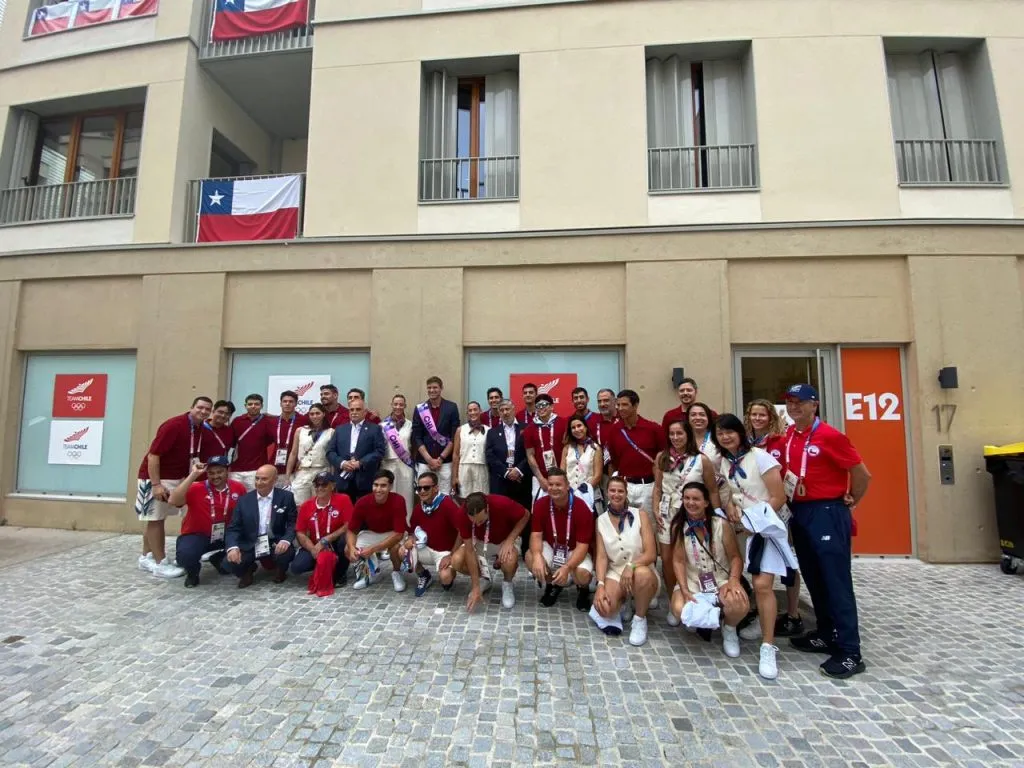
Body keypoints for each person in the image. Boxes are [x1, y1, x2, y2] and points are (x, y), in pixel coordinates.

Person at [783, 384, 871, 680]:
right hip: (800, 510)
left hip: (827, 511)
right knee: (814, 576)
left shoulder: (830, 436)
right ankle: (825, 632)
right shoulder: (790, 436)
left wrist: (851, 500)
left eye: (800, 402)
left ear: (814, 405)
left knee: (836, 581)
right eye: (790, 402)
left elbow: (861, 473)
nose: (794, 407)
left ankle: (850, 652)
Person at [713, 413, 790, 680]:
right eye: (720, 433)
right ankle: (742, 621)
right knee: (741, 578)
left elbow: (779, 496)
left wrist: (753, 523)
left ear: (740, 432)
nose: (725, 437)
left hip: (763, 529)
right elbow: (731, 493)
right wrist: (732, 506)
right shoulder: (724, 462)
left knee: (762, 585)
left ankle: (768, 646)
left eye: (729, 431)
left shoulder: (761, 457)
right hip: (741, 529)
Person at [670, 482, 749, 663]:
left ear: (706, 502)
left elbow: (736, 557)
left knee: (739, 604)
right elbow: (679, 561)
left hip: (720, 579)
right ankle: (701, 618)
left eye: (696, 499)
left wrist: (734, 580)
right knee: (678, 608)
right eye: (687, 498)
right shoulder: (679, 526)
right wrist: (683, 588)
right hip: (693, 580)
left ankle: (729, 628)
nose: (691, 503)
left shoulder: (721, 524)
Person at [135, 396, 213, 578]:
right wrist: (156, 484)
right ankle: (160, 563)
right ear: (192, 407)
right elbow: (153, 456)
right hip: (157, 478)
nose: (203, 411)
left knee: (155, 517)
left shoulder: (200, 428)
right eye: (200, 407)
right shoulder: (173, 425)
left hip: (177, 478)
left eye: (207, 409)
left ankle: (147, 557)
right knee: (156, 519)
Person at [651, 418, 721, 622]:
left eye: (679, 433)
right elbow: (657, 488)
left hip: (692, 514)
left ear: (688, 435)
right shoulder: (662, 457)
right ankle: (675, 596)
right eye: (671, 434)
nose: (675, 438)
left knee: (690, 556)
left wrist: (716, 514)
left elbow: (712, 489)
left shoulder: (701, 460)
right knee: (667, 557)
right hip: (667, 514)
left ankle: (695, 594)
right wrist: (656, 510)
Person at [745, 398, 803, 637]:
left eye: (762, 415)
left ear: (771, 417)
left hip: (779, 510)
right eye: (753, 415)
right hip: (755, 512)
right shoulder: (747, 444)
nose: (757, 419)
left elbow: (789, 474)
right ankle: (760, 611)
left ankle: (793, 613)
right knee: (759, 562)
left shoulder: (781, 441)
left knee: (787, 559)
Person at [591, 477, 659, 646]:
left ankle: (640, 619)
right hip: (616, 572)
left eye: (620, 491)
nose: (616, 494)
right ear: (607, 493)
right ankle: (624, 601)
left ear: (626, 493)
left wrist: (632, 565)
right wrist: (600, 585)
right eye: (612, 490)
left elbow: (651, 553)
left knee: (642, 576)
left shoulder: (640, 515)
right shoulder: (601, 520)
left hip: (642, 569)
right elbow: (601, 556)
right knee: (605, 608)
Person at [168, 456, 246, 588]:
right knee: (186, 556)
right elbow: (173, 501)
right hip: (198, 534)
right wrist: (193, 475)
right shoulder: (195, 488)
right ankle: (193, 574)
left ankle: (219, 559)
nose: (215, 476)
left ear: (227, 471)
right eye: (211, 473)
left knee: (241, 556)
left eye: (219, 472)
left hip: (226, 534)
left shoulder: (238, 488)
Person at [526, 469, 595, 611]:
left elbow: (582, 546)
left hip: (574, 550)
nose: (554, 488)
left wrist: (567, 567)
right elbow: (536, 535)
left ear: (568, 485)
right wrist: (538, 556)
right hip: (553, 547)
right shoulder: (540, 504)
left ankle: (583, 590)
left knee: (583, 574)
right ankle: (553, 585)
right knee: (530, 556)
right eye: (551, 484)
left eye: (558, 484)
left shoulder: (582, 508)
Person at [451, 492, 530, 611]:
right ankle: (484, 578)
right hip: (479, 540)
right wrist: (475, 586)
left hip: (504, 539)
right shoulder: (461, 514)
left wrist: (510, 540)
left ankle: (507, 583)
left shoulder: (501, 503)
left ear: (487, 508)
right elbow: (469, 551)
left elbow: (526, 514)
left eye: (481, 521)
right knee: (456, 560)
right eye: (473, 522)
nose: (477, 524)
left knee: (509, 560)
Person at [224, 465, 298, 588]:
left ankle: (280, 570)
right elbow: (233, 527)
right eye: (257, 478)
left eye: (264, 479)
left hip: (275, 541)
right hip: (251, 542)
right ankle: (246, 572)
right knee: (228, 562)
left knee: (286, 554)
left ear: (274, 480)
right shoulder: (244, 500)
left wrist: (286, 540)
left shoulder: (286, 497)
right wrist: (232, 547)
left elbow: (292, 523)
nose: (259, 482)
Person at [398, 471, 463, 596]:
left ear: (436, 488)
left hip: (446, 551)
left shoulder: (448, 504)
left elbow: (462, 531)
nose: (422, 491)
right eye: (419, 488)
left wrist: (451, 555)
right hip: (427, 548)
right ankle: (424, 575)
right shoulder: (419, 507)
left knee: (446, 577)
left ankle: (449, 576)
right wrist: (410, 539)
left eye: (426, 487)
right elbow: (412, 530)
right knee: (402, 551)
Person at [607, 389, 666, 528]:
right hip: (624, 486)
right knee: (623, 527)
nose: (620, 408)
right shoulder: (614, 431)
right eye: (618, 405)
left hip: (648, 487)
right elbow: (614, 461)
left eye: (625, 405)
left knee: (649, 528)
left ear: (635, 405)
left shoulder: (653, 429)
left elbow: (663, 459)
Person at [346, 470, 408, 591]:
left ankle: (397, 573)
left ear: (390, 486)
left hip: (394, 533)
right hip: (372, 532)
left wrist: (373, 549)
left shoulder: (398, 500)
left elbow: (399, 534)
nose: (378, 489)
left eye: (383, 485)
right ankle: (372, 573)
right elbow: (351, 530)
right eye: (376, 485)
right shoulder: (362, 502)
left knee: (395, 548)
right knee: (348, 549)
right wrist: (352, 548)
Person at [291, 471, 352, 586]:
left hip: (335, 542)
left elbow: (349, 525)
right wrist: (313, 549)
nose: (319, 488)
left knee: (345, 540)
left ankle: (340, 573)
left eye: (324, 485)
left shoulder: (343, 499)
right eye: (317, 485)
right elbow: (300, 533)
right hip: (315, 543)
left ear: (333, 486)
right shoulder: (306, 506)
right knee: (296, 567)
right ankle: (323, 565)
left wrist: (327, 539)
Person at [484, 399, 532, 545]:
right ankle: (500, 548)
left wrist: (518, 470)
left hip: (521, 479)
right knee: (499, 515)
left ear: (514, 409)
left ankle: (524, 549)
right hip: (501, 480)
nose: (505, 412)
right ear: (498, 413)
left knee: (523, 513)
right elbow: (489, 455)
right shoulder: (492, 432)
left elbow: (530, 453)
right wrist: (506, 472)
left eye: (508, 409)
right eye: (502, 410)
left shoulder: (526, 428)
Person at [326, 400, 385, 503]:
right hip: (343, 480)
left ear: (365, 412)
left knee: (364, 514)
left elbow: (379, 451)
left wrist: (361, 463)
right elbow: (330, 452)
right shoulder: (340, 430)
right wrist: (342, 463)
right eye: (351, 409)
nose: (354, 412)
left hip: (365, 479)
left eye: (358, 409)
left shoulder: (375, 429)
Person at [411, 376, 461, 495]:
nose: (432, 390)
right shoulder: (420, 409)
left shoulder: (451, 407)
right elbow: (416, 437)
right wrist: (429, 459)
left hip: (445, 462)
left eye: (435, 387)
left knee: (445, 495)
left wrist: (441, 458)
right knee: (425, 495)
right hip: (424, 461)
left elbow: (454, 436)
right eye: (429, 388)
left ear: (441, 388)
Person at [284, 404, 334, 505]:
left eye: (317, 413)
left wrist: (332, 478)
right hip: (303, 472)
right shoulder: (300, 430)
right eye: (312, 414)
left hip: (322, 471)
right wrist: (287, 476)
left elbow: (332, 456)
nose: (314, 416)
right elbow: (293, 453)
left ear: (323, 414)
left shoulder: (331, 432)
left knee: (320, 503)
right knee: (298, 503)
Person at [523, 393, 567, 503]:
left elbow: (567, 449)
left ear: (552, 406)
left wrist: (561, 474)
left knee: (562, 506)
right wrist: (541, 478)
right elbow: (530, 455)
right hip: (541, 478)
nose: (541, 408)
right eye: (538, 406)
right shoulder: (529, 429)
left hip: (563, 474)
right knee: (540, 510)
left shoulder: (564, 423)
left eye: (544, 404)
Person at [380, 394, 415, 518]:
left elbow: (414, 445)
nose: (398, 407)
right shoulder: (383, 425)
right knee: (389, 495)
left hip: (406, 464)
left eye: (401, 404)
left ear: (405, 406)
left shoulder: (411, 425)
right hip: (388, 464)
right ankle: (390, 526)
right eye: (395, 404)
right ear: (391, 405)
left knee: (407, 496)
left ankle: (407, 525)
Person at [230, 394, 274, 492]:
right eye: (250, 404)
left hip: (257, 470)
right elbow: (231, 442)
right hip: (236, 470)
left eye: (256, 404)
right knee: (235, 498)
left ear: (262, 406)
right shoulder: (237, 421)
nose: (253, 406)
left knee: (255, 499)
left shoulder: (268, 421)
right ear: (245, 406)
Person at [561, 415, 602, 511]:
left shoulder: (595, 448)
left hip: (589, 494)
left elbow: (598, 476)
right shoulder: (567, 448)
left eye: (579, 426)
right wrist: (568, 490)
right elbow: (562, 472)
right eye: (573, 428)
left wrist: (582, 492)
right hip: (569, 495)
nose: (577, 429)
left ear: (586, 427)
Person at [452, 402, 490, 497]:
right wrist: (454, 476)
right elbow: (456, 454)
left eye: (475, 409)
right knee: (464, 498)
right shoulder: (460, 430)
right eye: (470, 410)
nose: (473, 412)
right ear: (467, 413)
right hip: (464, 468)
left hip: (482, 469)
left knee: (481, 498)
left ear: (480, 411)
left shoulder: (489, 430)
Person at [273, 390, 307, 482]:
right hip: (275, 469)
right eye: (285, 401)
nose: (287, 404)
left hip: (296, 469)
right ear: (280, 403)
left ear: (296, 404)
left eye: (291, 401)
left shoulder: (304, 420)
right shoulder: (273, 421)